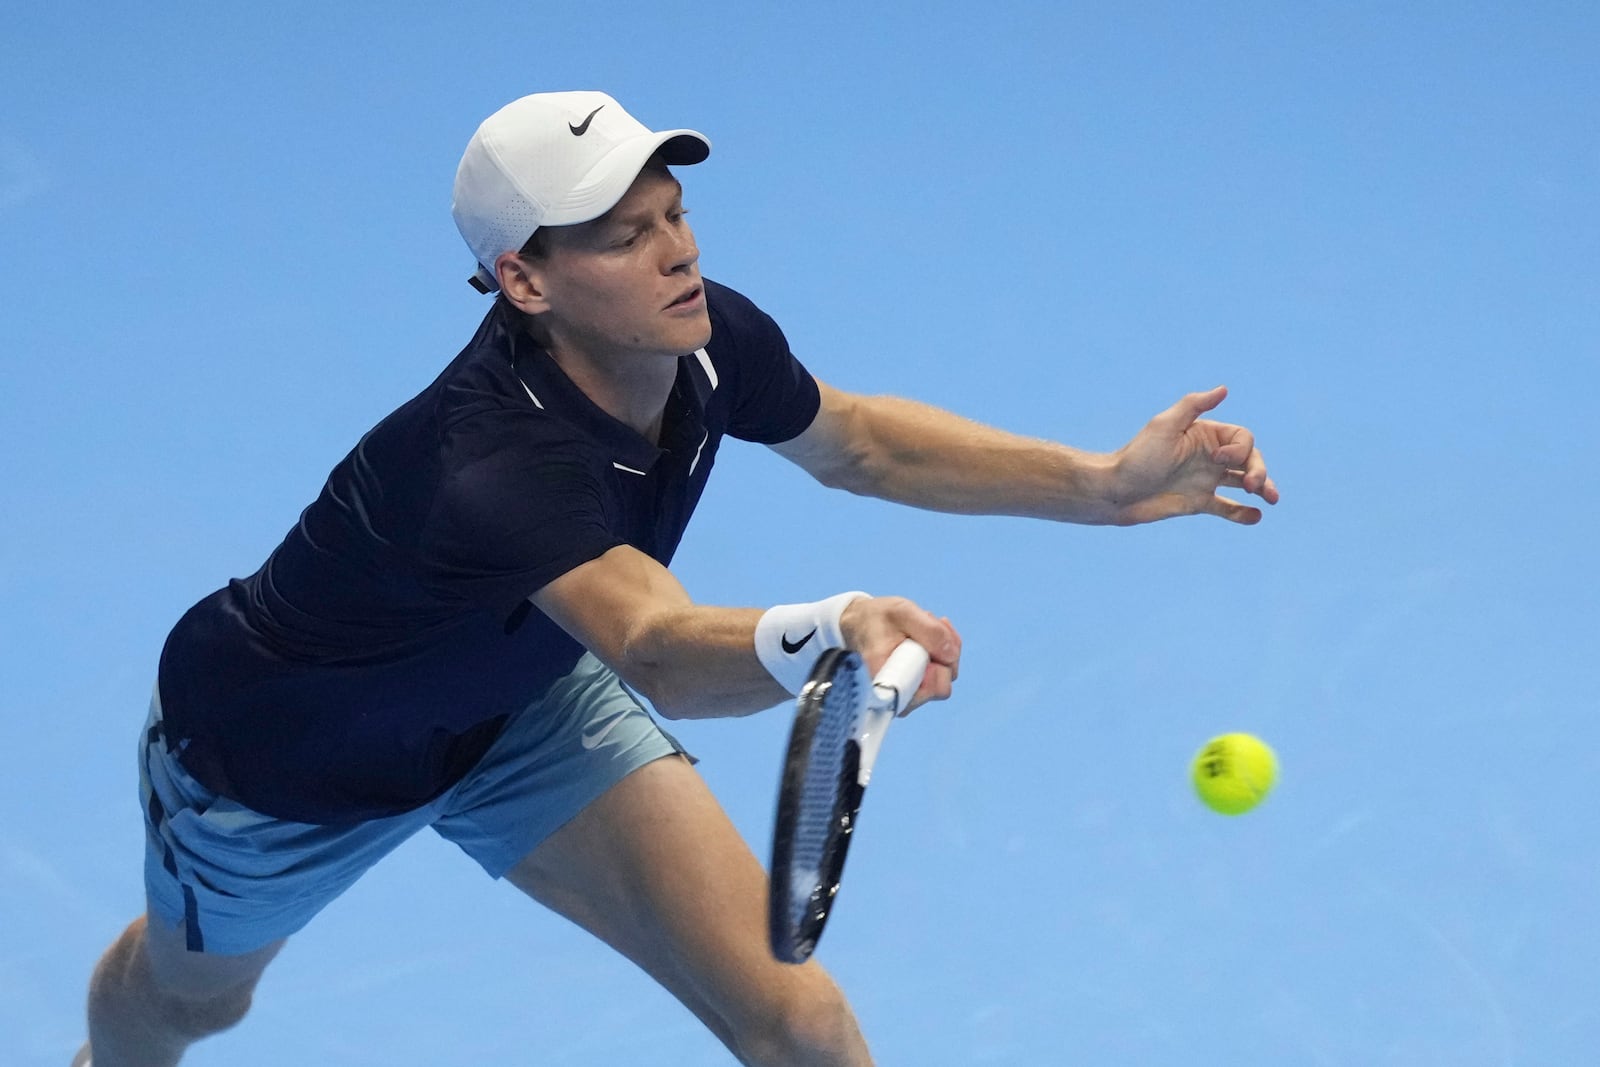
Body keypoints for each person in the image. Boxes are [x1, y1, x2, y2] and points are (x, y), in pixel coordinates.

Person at [75, 90, 1279, 1067]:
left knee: (800, 1025)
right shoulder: (488, 462)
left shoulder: (699, 338)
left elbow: (856, 439)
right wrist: (828, 627)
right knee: (183, 1010)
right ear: (524, 281)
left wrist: (1103, 485)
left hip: (526, 702)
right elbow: (652, 647)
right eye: (623, 234)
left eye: (674, 210)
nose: (677, 250)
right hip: (285, 761)